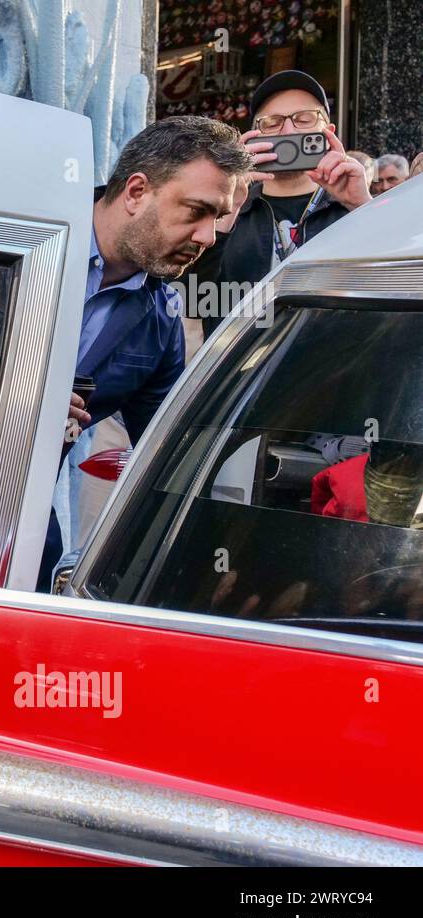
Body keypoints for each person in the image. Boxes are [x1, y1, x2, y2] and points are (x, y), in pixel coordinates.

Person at [37, 115, 253, 590]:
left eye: (216, 218)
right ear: (136, 192)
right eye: (196, 210)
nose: (207, 237)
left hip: (22, 535)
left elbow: (168, 452)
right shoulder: (25, 230)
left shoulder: (161, 323)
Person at [184, 70, 371, 338]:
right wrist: (227, 207)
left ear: (328, 132)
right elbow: (192, 299)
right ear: (255, 136)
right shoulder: (229, 210)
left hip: (333, 368)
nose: (289, 130)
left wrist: (361, 206)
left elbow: (404, 290)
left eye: (304, 119)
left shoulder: (352, 207)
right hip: (242, 373)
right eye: (272, 122)